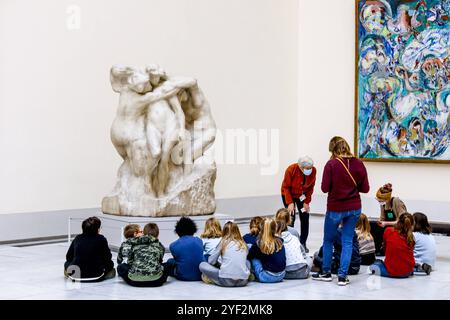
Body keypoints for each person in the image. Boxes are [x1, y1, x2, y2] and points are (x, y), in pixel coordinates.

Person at [312, 136, 369, 286]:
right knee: (347, 241)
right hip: (355, 207)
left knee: (328, 240)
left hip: (335, 208)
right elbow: (365, 188)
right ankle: (342, 277)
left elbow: (324, 188)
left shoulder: (331, 164)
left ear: (334, 150)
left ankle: (326, 273)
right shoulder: (359, 163)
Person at [281, 155, 317, 252]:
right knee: (290, 218)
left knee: (305, 217)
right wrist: (290, 203)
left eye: (311, 168)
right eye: (307, 168)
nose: (310, 170)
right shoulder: (291, 169)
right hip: (289, 194)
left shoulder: (313, 171)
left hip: (302, 196)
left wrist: (307, 202)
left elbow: (311, 187)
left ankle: (303, 243)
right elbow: (286, 187)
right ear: (300, 167)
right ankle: (290, 243)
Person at [199, 222, 250, 287]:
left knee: (202, 265)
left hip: (226, 280)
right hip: (243, 281)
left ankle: (211, 279)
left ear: (224, 231)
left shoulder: (223, 242)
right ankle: (246, 275)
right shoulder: (243, 243)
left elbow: (211, 261)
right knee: (247, 262)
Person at [64, 217, 115, 282]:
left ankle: (68, 273)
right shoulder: (101, 239)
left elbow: (69, 257)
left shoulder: (78, 238)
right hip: (96, 275)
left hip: (75, 275)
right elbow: (107, 257)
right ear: (97, 229)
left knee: (66, 263)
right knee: (111, 266)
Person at [117, 223, 169, 287]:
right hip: (156, 281)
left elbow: (128, 261)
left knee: (121, 267)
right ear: (158, 234)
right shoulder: (160, 245)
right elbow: (159, 261)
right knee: (169, 264)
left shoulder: (135, 244)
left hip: (135, 281)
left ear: (144, 233)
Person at [369, 213, 415, 278]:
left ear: (398, 221)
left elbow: (385, 249)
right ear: (412, 225)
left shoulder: (388, 231)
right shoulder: (411, 237)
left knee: (374, 264)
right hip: (407, 272)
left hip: (391, 271)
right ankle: (415, 268)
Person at [370, 183, 408, 255]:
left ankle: (383, 250)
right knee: (372, 226)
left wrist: (385, 223)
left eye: (381, 200)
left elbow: (402, 221)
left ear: (387, 198)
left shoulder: (396, 201)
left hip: (400, 227)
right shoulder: (383, 204)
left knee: (386, 229)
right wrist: (380, 222)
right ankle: (375, 250)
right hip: (388, 225)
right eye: (378, 200)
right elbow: (382, 218)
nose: (380, 202)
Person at [164, 217, 204, 281]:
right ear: (193, 229)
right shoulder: (199, 241)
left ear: (177, 231)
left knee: (170, 261)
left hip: (182, 276)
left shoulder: (173, 245)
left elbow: (177, 260)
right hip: (199, 275)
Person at [247, 218, 286, 283]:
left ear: (261, 229)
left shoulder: (259, 243)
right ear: (275, 228)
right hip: (282, 275)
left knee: (254, 256)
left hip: (266, 276)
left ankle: (249, 273)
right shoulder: (280, 241)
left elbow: (249, 256)